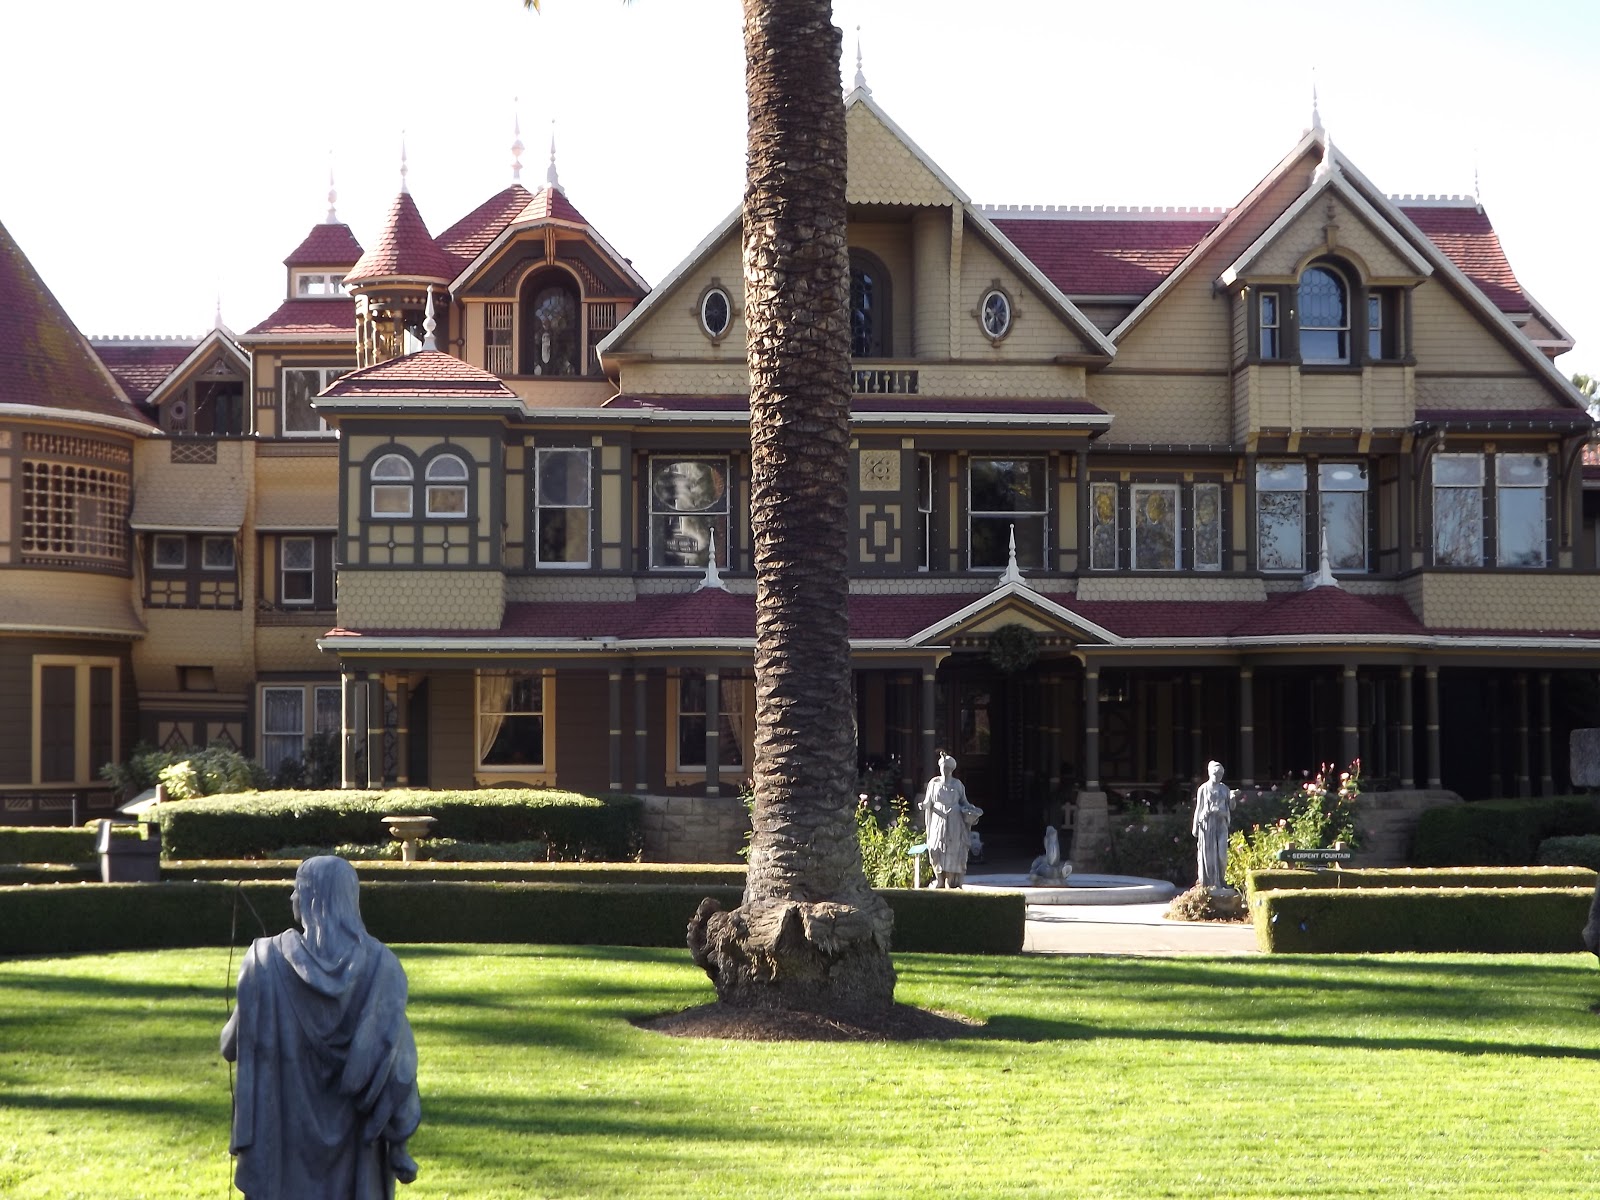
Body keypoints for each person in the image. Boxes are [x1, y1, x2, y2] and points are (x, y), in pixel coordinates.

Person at [222, 856, 421, 1199]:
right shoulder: (381, 966)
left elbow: (229, 1046)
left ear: (314, 898)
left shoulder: (264, 961)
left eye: (297, 888)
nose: (291, 897)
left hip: (283, 1150)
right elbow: (399, 1068)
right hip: (357, 1152)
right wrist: (400, 1141)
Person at [921, 752, 983, 888]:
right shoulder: (934, 783)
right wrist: (923, 805)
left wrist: (971, 810)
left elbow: (964, 801)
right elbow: (928, 801)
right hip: (938, 818)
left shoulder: (957, 784)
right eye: (943, 767)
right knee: (935, 848)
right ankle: (939, 878)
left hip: (954, 820)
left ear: (952, 769)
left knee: (953, 849)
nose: (945, 770)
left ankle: (950, 879)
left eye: (948, 768)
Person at [1192, 760, 1238, 890]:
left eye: (1220, 774)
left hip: (1221, 823)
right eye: (1215, 774)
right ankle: (1210, 883)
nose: (1218, 776)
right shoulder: (1203, 789)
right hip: (1207, 823)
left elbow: (1232, 807)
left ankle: (1221, 879)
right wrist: (1195, 826)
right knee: (1209, 855)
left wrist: (1232, 798)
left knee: (1222, 854)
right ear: (1209, 773)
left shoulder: (1225, 789)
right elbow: (1199, 807)